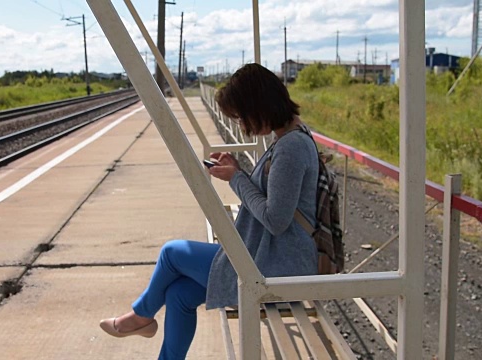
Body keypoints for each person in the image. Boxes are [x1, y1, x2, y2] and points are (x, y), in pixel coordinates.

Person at [99, 63, 319, 359]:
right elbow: (275, 198)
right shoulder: (289, 137)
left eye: (242, 116)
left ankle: (140, 316)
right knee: (178, 295)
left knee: (172, 253)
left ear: (260, 105)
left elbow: (275, 220)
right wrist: (238, 170)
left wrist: (236, 178)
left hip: (278, 267)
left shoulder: (291, 147)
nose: (243, 126)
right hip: (270, 257)